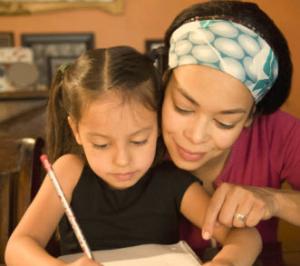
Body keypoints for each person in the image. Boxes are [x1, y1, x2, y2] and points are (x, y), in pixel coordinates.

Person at [5, 46, 261, 266]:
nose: (122, 160)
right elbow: (17, 247)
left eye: (139, 140)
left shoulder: (171, 180)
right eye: (102, 144)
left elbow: (247, 236)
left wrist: (226, 261)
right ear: (76, 130)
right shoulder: (69, 171)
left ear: (159, 124)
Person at [160, 0, 300, 262]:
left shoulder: (279, 132)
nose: (196, 136)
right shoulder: (133, 130)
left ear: (250, 117)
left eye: (224, 122)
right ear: (163, 83)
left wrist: (274, 200)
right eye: (183, 108)